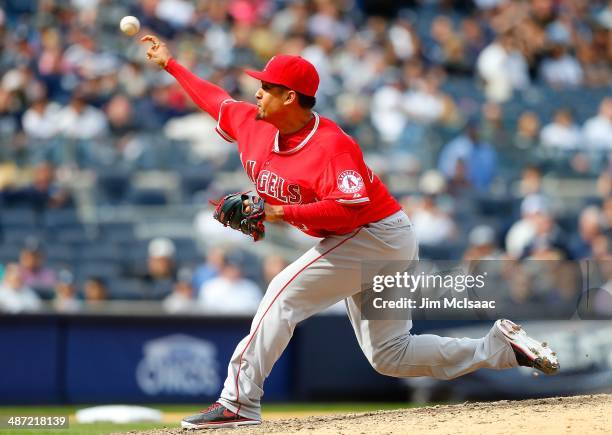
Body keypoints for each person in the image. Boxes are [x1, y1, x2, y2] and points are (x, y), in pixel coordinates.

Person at [141, 35, 559, 429]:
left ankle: (237, 402)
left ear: (290, 97)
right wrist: (171, 65)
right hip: (369, 239)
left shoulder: (331, 145)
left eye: (266, 87)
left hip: (374, 234)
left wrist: (275, 212)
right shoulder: (253, 122)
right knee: (391, 354)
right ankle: (501, 347)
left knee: (281, 294)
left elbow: (346, 212)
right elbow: (216, 100)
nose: (256, 92)